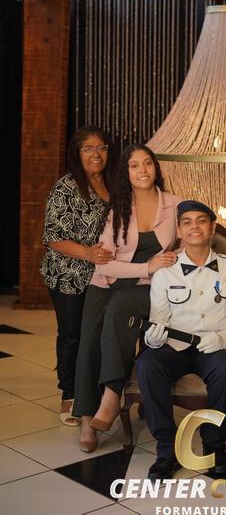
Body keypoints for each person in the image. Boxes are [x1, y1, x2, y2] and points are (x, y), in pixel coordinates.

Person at [135, 200, 226, 482]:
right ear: (179, 230)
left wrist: (223, 338)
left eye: (201, 221)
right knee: (147, 364)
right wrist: (153, 339)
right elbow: (159, 317)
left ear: (212, 227)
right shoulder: (166, 271)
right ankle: (167, 449)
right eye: (187, 222)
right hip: (175, 346)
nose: (195, 227)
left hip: (218, 345)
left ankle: (214, 447)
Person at [73, 144, 181, 453]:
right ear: (127, 173)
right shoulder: (117, 209)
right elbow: (103, 264)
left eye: (148, 163)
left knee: (119, 310)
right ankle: (86, 417)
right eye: (135, 165)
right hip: (109, 282)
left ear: (156, 168)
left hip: (149, 288)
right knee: (89, 339)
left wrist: (166, 262)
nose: (142, 170)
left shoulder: (175, 205)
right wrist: (146, 266)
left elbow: (189, 241)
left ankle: (111, 394)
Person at [40, 126, 115, 427]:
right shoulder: (66, 186)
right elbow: (52, 237)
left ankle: (96, 391)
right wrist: (87, 253)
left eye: (101, 148)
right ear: (77, 153)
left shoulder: (114, 183)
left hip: (104, 274)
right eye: (88, 148)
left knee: (97, 333)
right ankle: (69, 394)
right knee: (72, 333)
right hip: (68, 273)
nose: (96, 154)